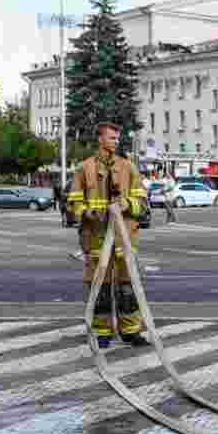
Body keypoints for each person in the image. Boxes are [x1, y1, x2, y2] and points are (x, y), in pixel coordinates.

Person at [66, 121, 151, 349]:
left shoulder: (128, 167)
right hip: (95, 236)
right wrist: (87, 212)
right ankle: (101, 333)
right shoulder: (85, 168)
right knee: (100, 289)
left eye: (117, 138)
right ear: (100, 139)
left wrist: (127, 204)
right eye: (112, 137)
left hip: (124, 238)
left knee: (127, 288)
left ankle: (131, 331)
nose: (116, 141)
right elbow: (73, 203)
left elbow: (143, 203)